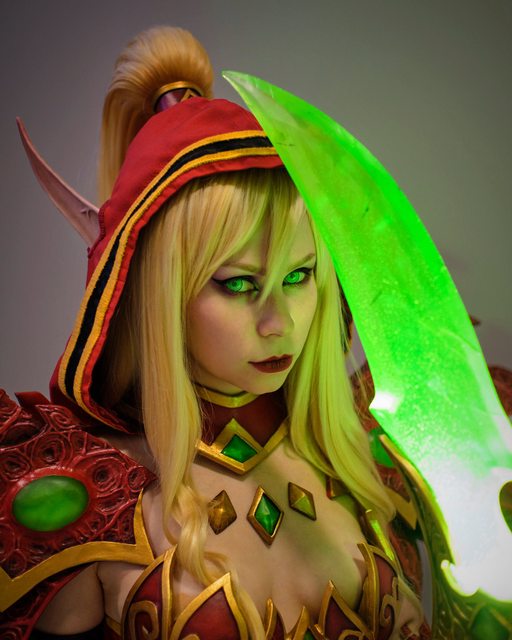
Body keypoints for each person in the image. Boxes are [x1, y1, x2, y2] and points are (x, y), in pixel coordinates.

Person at [1, 26, 430, 639]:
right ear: (161, 296)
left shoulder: (361, 460)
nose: (280, 322)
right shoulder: (86, 498)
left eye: (299, 276)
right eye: (238, 284)